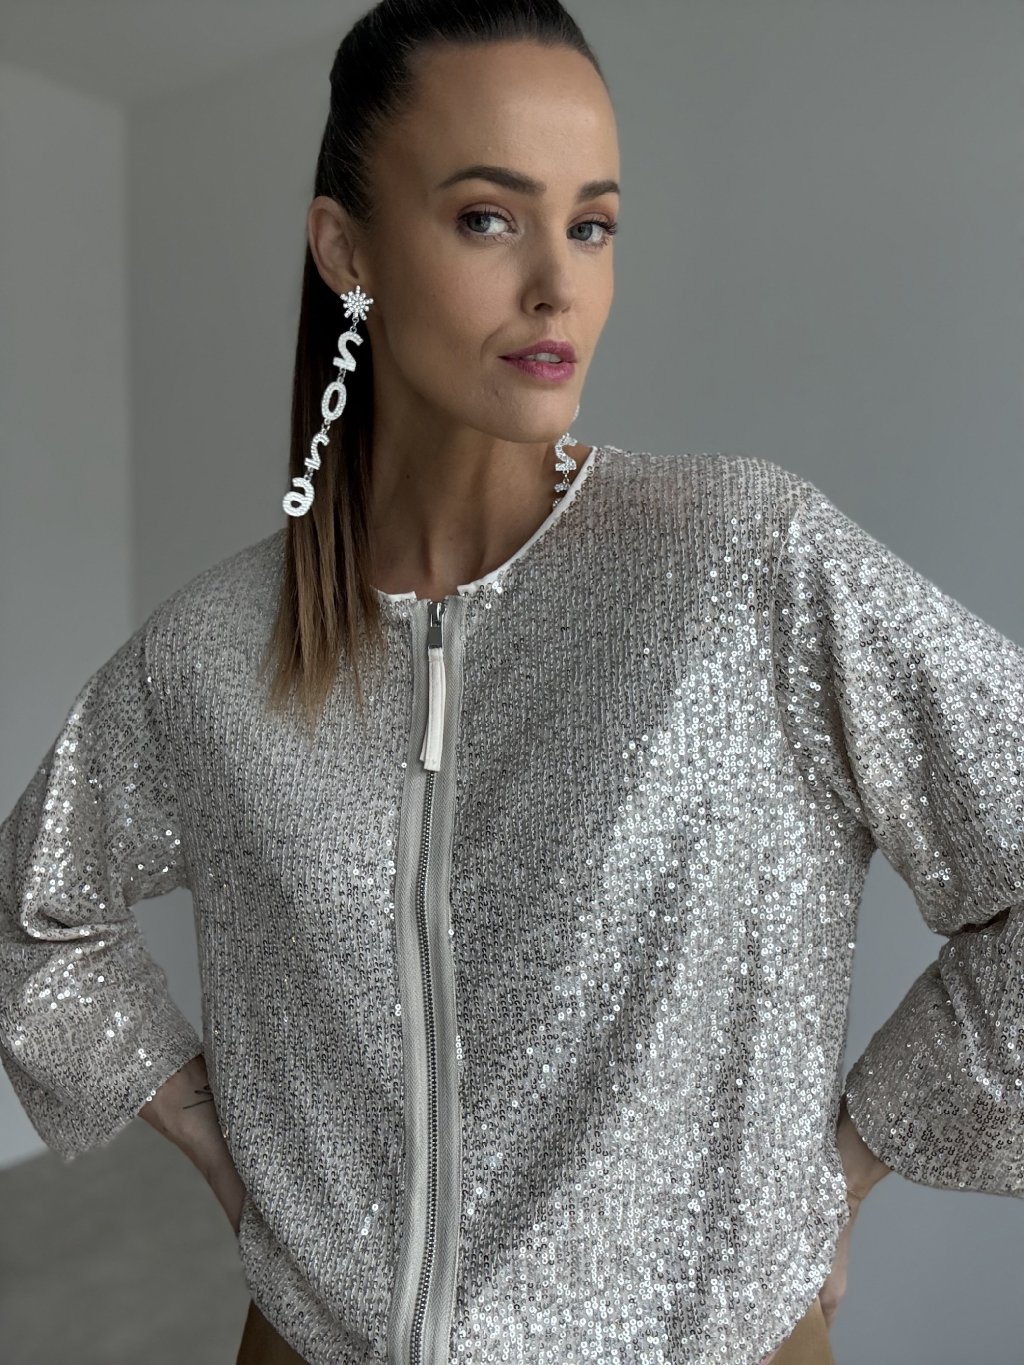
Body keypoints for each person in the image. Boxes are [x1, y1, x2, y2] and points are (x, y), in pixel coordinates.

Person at [2, 2, 1022, 1363]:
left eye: (591, 225)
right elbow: (33, 913)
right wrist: (213, 1135)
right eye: (489, 218)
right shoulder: (215, 651)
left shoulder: (744, 563)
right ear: (348, 251)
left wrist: (840, 1163)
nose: (557, 285)